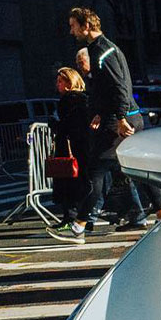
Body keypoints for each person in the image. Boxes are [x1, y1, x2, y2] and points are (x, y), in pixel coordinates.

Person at [49, 7, 148, 243]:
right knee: (127, 170)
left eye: (73, 26)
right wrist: (100, 113)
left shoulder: (103, 51)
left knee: (97, 172)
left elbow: (119, 87)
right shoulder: (99, 50)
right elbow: (105, 90)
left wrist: (120, 118)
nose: (71, 31)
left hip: (118, 121)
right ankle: (155, 214)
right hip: (115, 118)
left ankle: (79, 226)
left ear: (86, 26)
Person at [50, 67, 91, 224]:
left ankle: (71, 217)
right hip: (83, 145)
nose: (57, 84)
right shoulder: (84, 98)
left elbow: (68, 124)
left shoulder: (68, 100)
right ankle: (83, 214)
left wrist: (55, 124)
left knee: (68, 181)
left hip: (69, 146)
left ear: (69, 82)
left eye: (60, 81)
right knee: (82, 180)